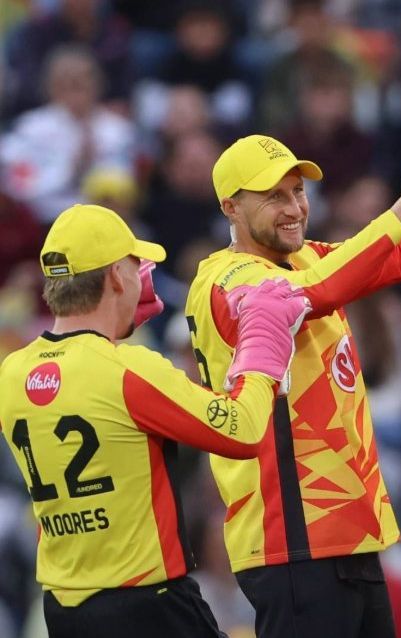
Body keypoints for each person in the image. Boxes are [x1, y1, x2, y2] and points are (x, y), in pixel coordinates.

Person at [183, 87, 401, 637]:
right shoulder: (227, 280)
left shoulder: (304, 257)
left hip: (351, 531)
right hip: (292, 540)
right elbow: (322, 288)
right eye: (273, 196)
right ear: (230, 207)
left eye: (298, 191)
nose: (295, 207)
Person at [0, 204, 310, 638]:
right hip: (147, 604)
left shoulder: (11, 371)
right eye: (133, 266)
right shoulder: (129, 368)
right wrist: (261, 348)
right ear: (113, 277)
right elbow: (242, 430)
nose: (141, 276)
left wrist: (114, 326)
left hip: (65, 610)